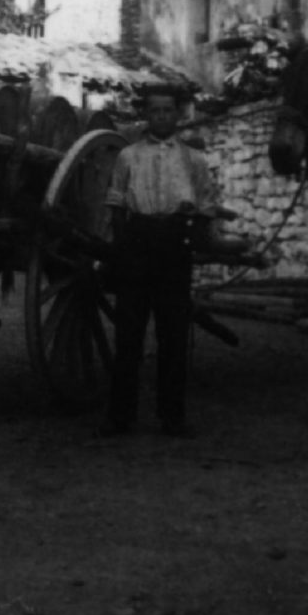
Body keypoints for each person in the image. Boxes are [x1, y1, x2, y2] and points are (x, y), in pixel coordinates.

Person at [100, 84, 219, 438]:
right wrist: (122, 248)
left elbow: (206, 204)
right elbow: (116, 203)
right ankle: (121, 416)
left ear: (178, 115)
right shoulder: (129, 156)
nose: (162, 117)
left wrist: (195, 237)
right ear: (146, 115)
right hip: (137, 244)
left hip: (174, 246)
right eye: (155, 111)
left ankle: (172, 417)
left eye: (168, 110)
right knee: (129, 334)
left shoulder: (194, 160)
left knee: (173, 334)